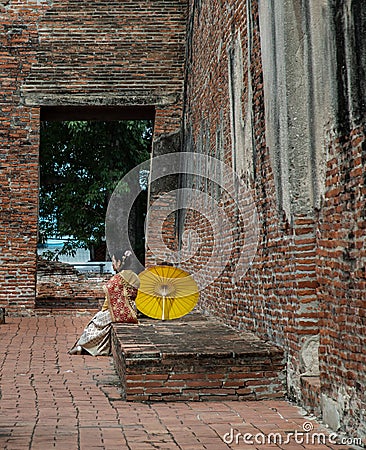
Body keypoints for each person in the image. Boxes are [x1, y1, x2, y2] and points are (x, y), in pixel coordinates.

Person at [69, 252, 140, 356]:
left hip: (118, 312)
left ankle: (83, 346)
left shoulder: (117, 279)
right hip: (132, 311)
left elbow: (108, 301)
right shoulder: (134, 276)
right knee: (106, 324)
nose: (112, 264)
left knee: (97, 321)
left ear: (120, 262)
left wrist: (103, 310)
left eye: (114, 261)